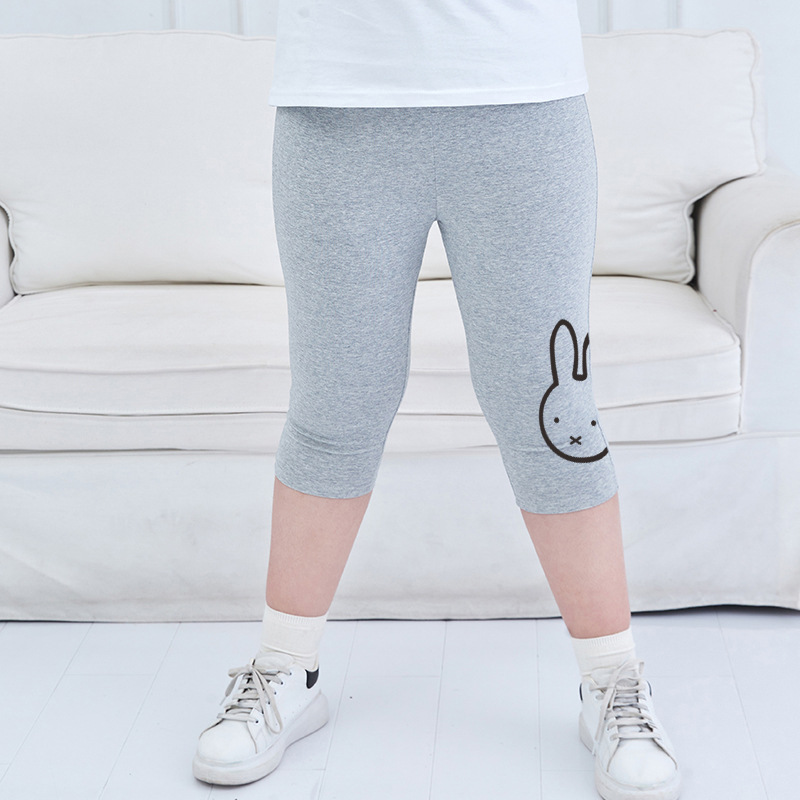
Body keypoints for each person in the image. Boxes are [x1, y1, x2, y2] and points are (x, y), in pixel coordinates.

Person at [192, 3, 682, 799]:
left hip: (521, 97)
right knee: (335, 404)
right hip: (338, 102)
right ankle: (286, 667)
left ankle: (612, 680)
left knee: (551, 410)